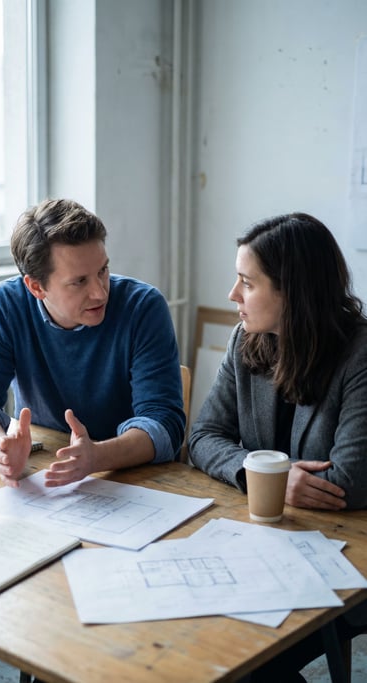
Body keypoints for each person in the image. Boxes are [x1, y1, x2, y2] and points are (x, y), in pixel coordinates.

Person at [188, 211, 367, 682]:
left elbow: (348, 482)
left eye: (247, 282)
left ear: (293, 291)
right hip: (261, 543)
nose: (232, 295)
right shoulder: (246, 341)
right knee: (198, 639)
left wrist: (280, 485)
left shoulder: (359, 354)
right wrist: (261, 477)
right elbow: (203, 437)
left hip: (344, 553)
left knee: (242, 662)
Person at [0, 197, 185, 489]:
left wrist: (96, 456)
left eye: (103, 271)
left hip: (135, 483)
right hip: (44, 477)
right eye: (80, 281)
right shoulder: (5, 305)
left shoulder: (143, 307)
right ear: (36, 286)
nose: (100, 293)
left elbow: (165, 425)